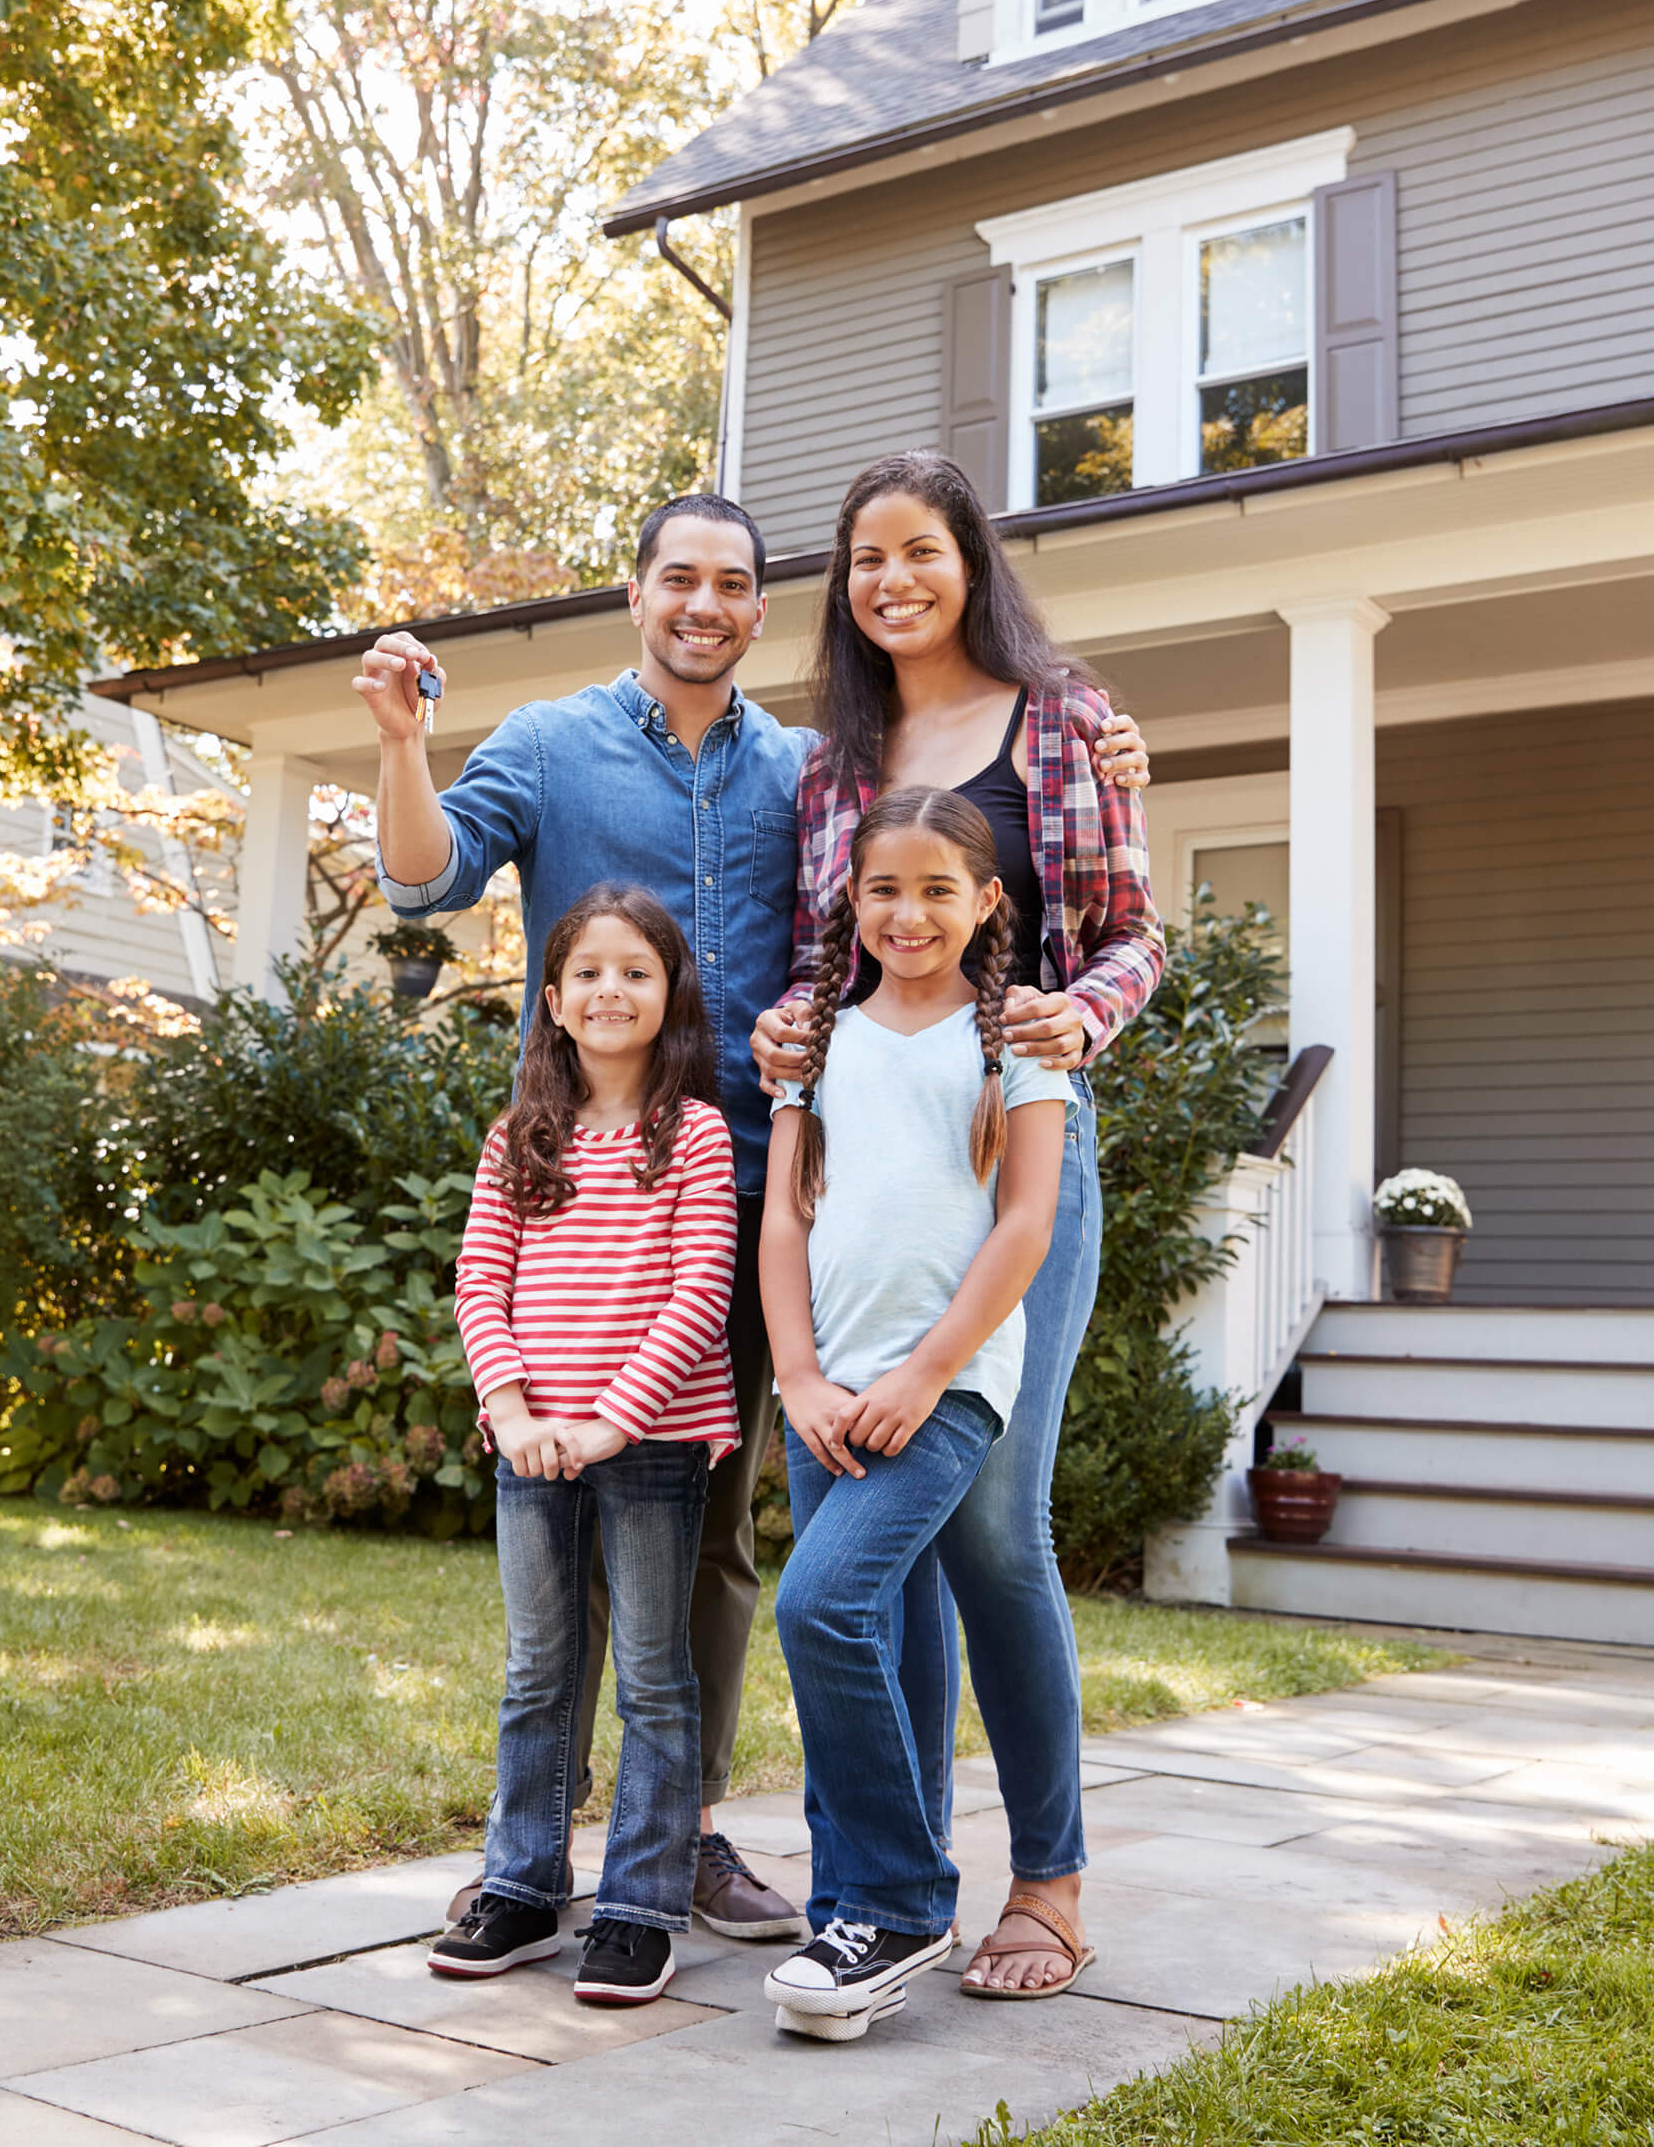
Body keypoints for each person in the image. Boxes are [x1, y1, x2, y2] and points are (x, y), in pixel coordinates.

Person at [358, 491, 1149, 1940]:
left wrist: (1071, 1000)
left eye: (735, 582)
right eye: (679, 578)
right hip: (647, 1190)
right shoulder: (581, 744)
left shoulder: (857, 753)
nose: (704, 604)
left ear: (768, 608)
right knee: (612, 1536)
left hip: (845, 1171)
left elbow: (1084, 919)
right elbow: (425, 878)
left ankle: (710, 1835)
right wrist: (405, 743)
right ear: (636, 587)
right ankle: (556, 1855)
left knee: (757, 1534)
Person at [751, 451, 1166, 2001]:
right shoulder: (830, 756)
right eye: (864, 557)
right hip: (870, 1159)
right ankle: (894, 1884)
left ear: (968, 559)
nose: (891, 579)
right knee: (884, 1539)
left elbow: (1135, 931)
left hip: (1016, 1139)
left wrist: (1075, 1016)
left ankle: (1048, 1882)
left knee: (996, 1525)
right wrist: (791, 1039)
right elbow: (822, 956)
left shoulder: (1063, 714)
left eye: (918, 550)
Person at [759, 788, 1072, 2042]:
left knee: (820, 1602)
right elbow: (784, 1219)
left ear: (987, 902)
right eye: (885, 887)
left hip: (941, 1390)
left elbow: (1027, 1225)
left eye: (940, 888)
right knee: (866, 1629)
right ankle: (853, 1916)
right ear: (852, 897)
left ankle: (898, 1898)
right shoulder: (813, 1044)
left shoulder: (1020, 1043)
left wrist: (927, 1372)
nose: (909, 911)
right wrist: (798, 1377)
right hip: (826, 1386)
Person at [427, 884, 738, 2007]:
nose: (613, 989)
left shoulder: (693, 1134)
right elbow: (480, 1280)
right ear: (552, 1002)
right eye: (590, 973)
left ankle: (643, 1906)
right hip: (530, 1443)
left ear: (670, 996)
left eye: (637, 972)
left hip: (648, 1442)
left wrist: (617, 1414)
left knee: (654, 1676)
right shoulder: (522, 1136)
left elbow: (703, 1287)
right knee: (537, 1673)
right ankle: (520, 1884)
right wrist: (511, 1412)